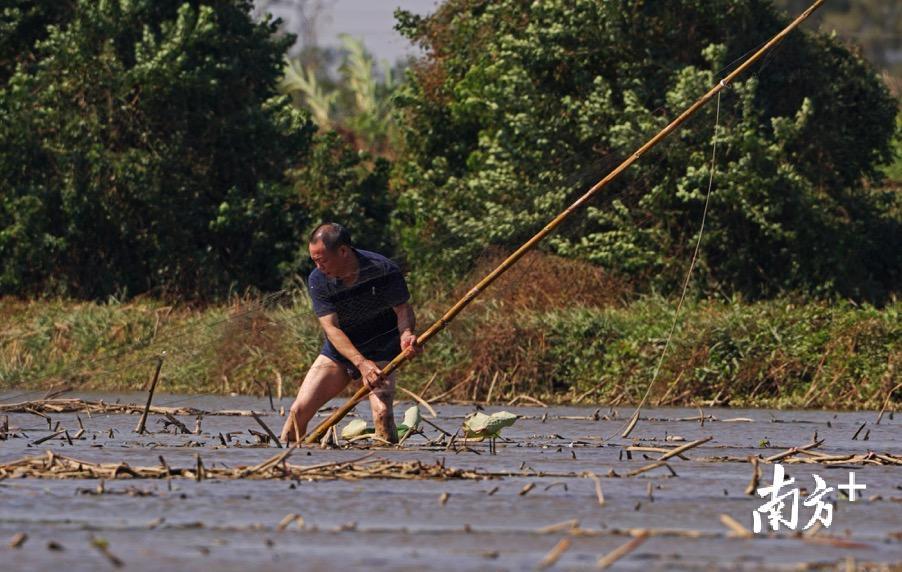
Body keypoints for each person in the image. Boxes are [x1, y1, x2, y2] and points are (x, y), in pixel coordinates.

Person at [280, 223, 420, 444]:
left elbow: (402, 309)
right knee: (298, 412)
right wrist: (360, 363)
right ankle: (288, 465)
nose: (318, 266)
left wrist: (406, 334)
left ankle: (385, 466)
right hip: (340, 351)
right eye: (314, 260)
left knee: (382, 413)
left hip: (381, 348)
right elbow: (331, 328)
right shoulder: (318, 279)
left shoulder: (382, 269)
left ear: (343, 251)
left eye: (322, 259)